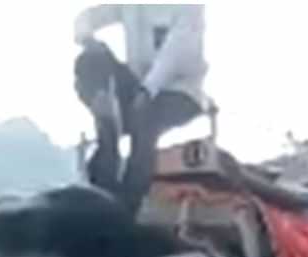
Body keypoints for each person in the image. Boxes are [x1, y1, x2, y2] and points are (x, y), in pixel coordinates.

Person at [73, 4, 208, 212]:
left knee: (145, 121)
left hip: (180, 90)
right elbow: (91, 16)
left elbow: (174, 55)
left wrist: (147, 91)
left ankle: (128, 203)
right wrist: (86, 37)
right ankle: (103, 178)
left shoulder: (189, 7)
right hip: (138, 83)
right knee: (89, 60)